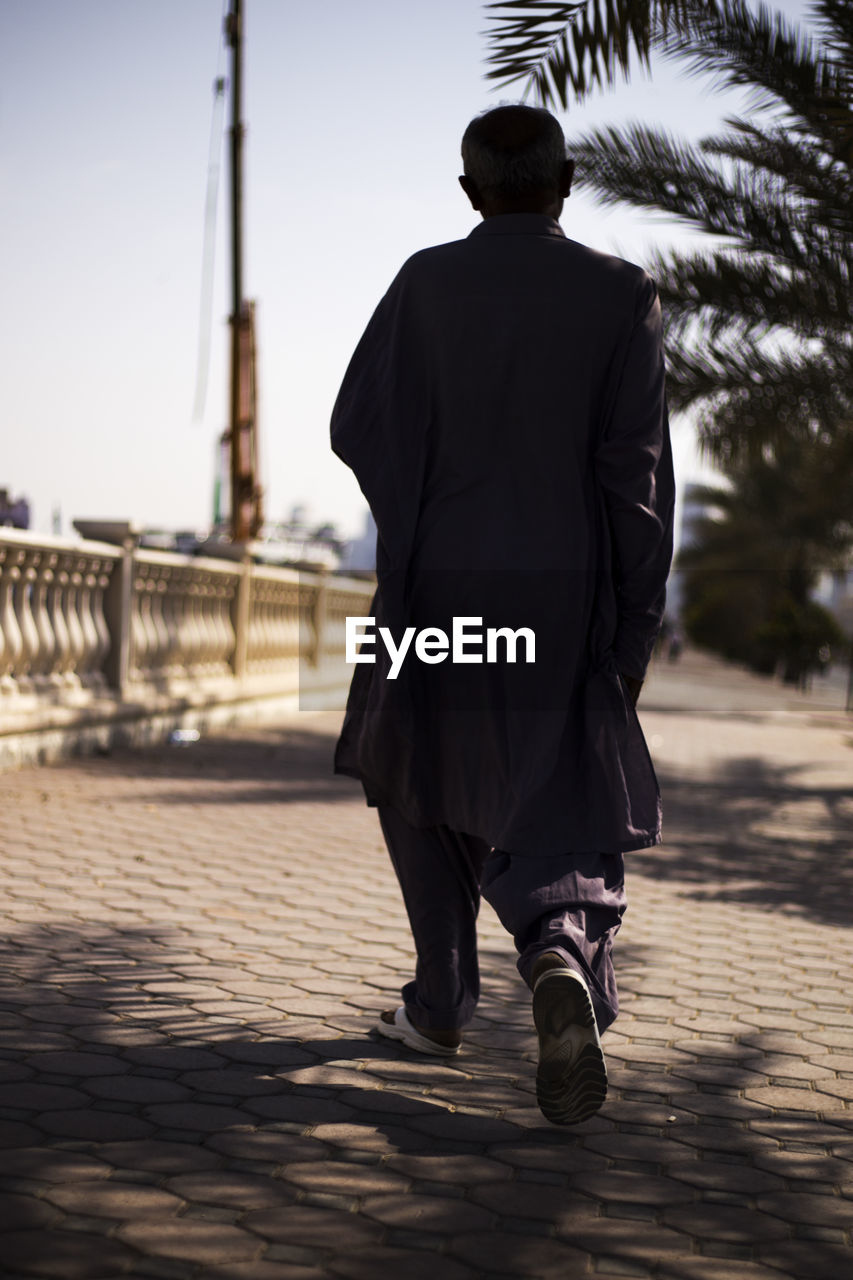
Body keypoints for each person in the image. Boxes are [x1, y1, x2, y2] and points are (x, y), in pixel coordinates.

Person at [330, 105, 675, 1124]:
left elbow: (358, 422)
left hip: (437, 586)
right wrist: (633, 626)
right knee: (550, 789)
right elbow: (636, 480)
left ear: (470, 190)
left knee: (419, 770)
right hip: (562, 595)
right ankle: (558, 954)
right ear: (565, 180)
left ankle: (438, 1001)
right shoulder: (621, 295)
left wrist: (428, 501)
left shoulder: (426, 283)